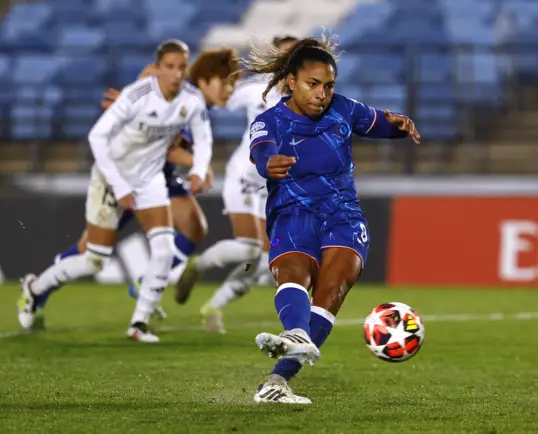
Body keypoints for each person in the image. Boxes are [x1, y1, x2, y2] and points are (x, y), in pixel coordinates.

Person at [245, 35, 420, 404]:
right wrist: (267, 164)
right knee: (295, 273)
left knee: (330, 293)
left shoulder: (343, 109)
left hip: (343, 214)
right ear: (291, 82)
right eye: (313, 84)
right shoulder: (269, 122)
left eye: (328, 86)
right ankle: (295, 333)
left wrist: (398, 124)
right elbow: (261, 152)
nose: (322, 94)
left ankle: (276, 383)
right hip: (292, 211)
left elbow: (376, 123)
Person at [22, 48, 240, 332]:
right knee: (90, 252)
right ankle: (37, 290)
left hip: (158, 177)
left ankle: (143, 290)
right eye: (226, 83)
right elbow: (169, 145)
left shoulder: (195, 105)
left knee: (194, 227)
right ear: (207, 79)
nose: (230, 91)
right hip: (129, 174)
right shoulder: (172, 90)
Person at [173, 35, 299, 334]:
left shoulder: (308, 101)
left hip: (274, 186)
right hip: (245, 176)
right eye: (283, 57)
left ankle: (213, 307)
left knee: (259, 263)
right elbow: (214, 97)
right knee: (249, 249)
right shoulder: (257, 91)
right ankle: (197, 266)